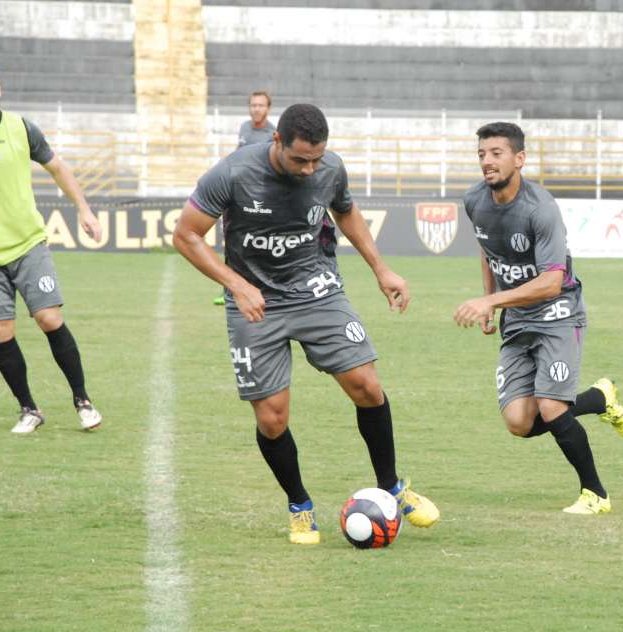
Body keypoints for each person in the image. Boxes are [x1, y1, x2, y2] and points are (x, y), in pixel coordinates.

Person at [173, 103, 439, 544]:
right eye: (300, 160)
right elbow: (186, 235)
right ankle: (299, 505)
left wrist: (381, 269)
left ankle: (392, 487)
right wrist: (236, 285)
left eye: (317, 159)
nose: (310, 169)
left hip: (318, 291)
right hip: (256, 302)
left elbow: (346, 212)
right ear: (276, 141)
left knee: (368, 387)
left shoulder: (330, 169)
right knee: (273, 418)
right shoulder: (232, 174)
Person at [453, 122, 623, 515]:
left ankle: (596, 494)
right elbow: (488, 248)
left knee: (551, 408)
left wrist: (493, 301)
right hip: (516, 318)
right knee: (519, 422)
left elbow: (552, 282)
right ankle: (598, 398)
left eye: (496, 153)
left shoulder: (541, 209)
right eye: (482, 154)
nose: (487, 161)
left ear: (519, 159)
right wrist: (491, 301)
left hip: (558, 312)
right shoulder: (474, 201)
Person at [0, 66, 103, 434]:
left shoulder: (21, 128)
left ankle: (82, 400)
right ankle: (29, 409)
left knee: (48, 319)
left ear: (0, 89)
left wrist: (84, 209)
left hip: (28, 244)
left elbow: (57, 167)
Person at [214, 91, 278, 305]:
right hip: (239, 192)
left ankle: (264, 289)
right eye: (253, 105)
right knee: (233, 240)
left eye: (260, 105)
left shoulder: (273, 133)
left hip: (261, 195)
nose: (256, 109)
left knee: (260, 243)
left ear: (268, 109)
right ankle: (230, 290)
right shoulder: (244, 128)